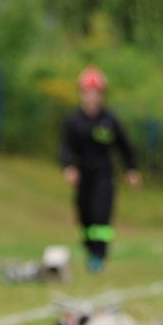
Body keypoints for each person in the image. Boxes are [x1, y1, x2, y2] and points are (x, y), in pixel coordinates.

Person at [60, 66, 141, 271]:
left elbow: (124, 147)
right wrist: (68, 166)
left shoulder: (109, 120)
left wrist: (132, 169)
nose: (92, 97)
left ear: (102, 95)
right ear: (81, 94)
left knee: (101, 215)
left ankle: (100, 254)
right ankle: (89, 248)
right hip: (83, 175)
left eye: (96, 93)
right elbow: (66, 147)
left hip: (104, 174)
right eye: (87, 92)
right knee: (85, 215)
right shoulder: (74, 121)